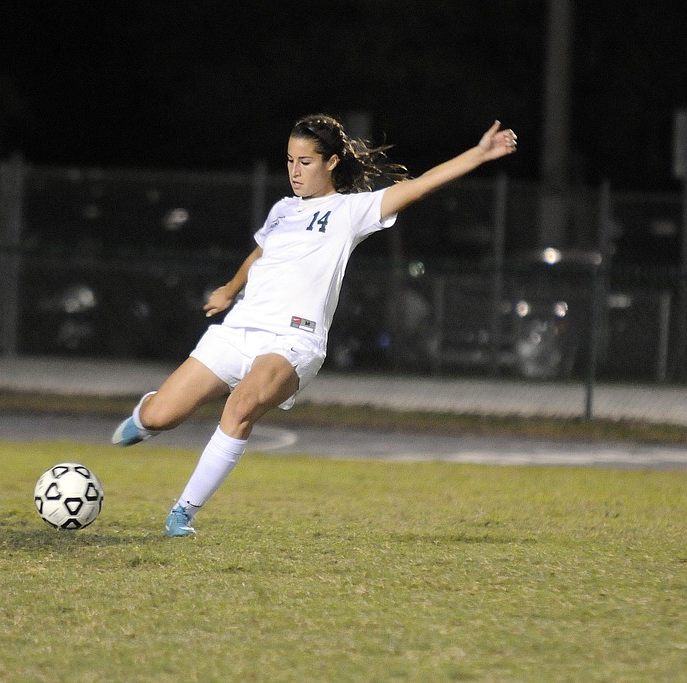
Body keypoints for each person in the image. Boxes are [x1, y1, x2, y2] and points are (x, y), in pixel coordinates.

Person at [112, 113, 518, 536]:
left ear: (332, 162)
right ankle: (145, 418)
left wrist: (478, 154)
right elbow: (260, 253)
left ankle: (182, 513)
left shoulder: (350, 211)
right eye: (290, 161)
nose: (295, 171)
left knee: (240, 408)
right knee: (161, 416)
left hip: (294, 340)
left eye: (305, 162)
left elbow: (420, 186)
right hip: (239, 331)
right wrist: (230, 290)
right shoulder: (283, 210)